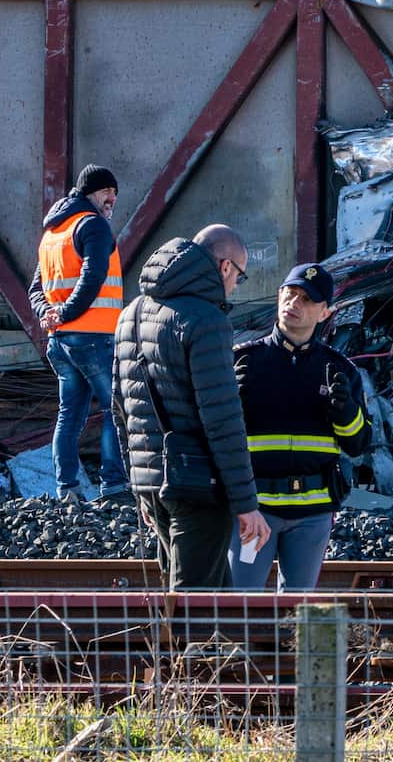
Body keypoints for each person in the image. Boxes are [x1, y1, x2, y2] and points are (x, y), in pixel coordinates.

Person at [112, 224, 269, 589]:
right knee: (198, 605)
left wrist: (139, 486)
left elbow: (121, 409)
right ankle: (191, 648)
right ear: (226, 267)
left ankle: (199, 647)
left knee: (200, 598)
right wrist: (246, 504)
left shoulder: (131, 315)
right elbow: (223, 420)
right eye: (239, 277)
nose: (233, 287)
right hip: (197, 483)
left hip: (153, 483)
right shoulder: (206, 320)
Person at [229, 262, 370, 590]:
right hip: (254, 510)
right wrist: (229, 404)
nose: (295, 303)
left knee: (299, 606)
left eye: (307, 300)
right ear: (279, 297)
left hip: (312, 513)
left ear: (325, 313)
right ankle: (240, 645)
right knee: (241, 599)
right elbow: (214, 435)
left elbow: (359, 444)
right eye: (290, 294)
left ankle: (293, 645)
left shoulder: (339, 370)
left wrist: (346, 412)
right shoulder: (243, 361)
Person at [28, 164, 128, 501]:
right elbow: (93, 276)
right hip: (95, 337)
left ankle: (66, 488)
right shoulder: (93, 225)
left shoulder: (52, 234)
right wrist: (65, 312)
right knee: (116, 409)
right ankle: (114, 486)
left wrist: (50, 315)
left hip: (61, 340)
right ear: (90, 192)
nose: (112, 198)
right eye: (106, 191)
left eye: (115, 192)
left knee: (70, 415)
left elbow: (35, 289)